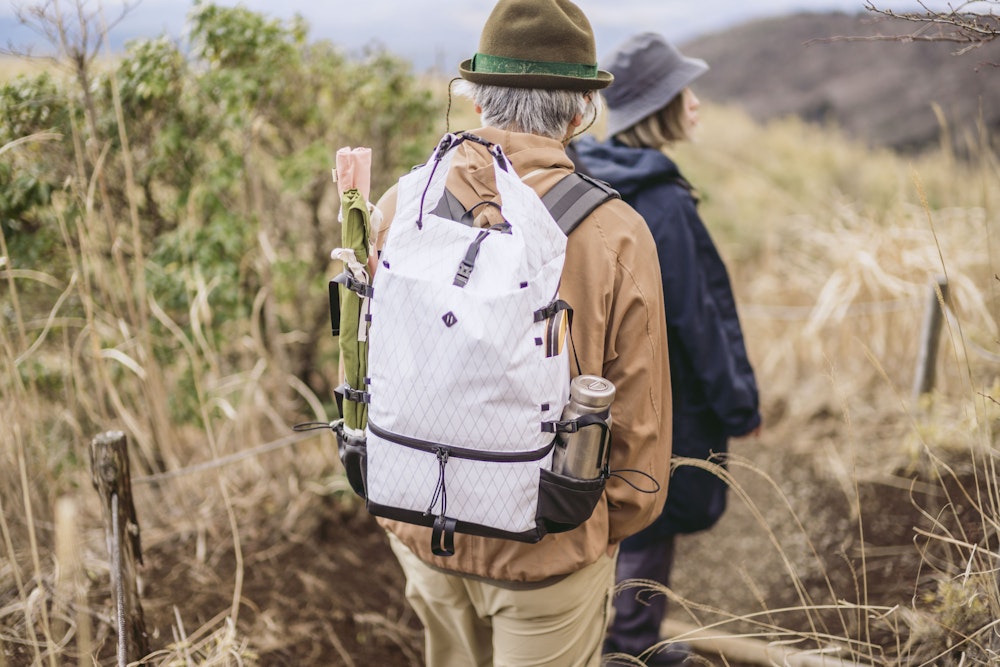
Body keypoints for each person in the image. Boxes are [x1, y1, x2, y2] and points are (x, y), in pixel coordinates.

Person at [370, 3, 673, 666]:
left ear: (477, 101)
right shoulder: (615, 233)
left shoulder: (402, 207)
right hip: (550, 552)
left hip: (422, 530)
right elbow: (640, 441)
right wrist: (592, 526)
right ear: (579, 112)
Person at [574, 33, 762, 666]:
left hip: (593, 393)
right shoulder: (665, 203)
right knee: (650, 513)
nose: (698, 103)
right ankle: (628, 651)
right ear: (661, 105)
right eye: (686, 91)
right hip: (666, 401)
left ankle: (599, 640)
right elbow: (699, 319)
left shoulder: (585, 182)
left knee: (602, 510)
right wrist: (739, 404)